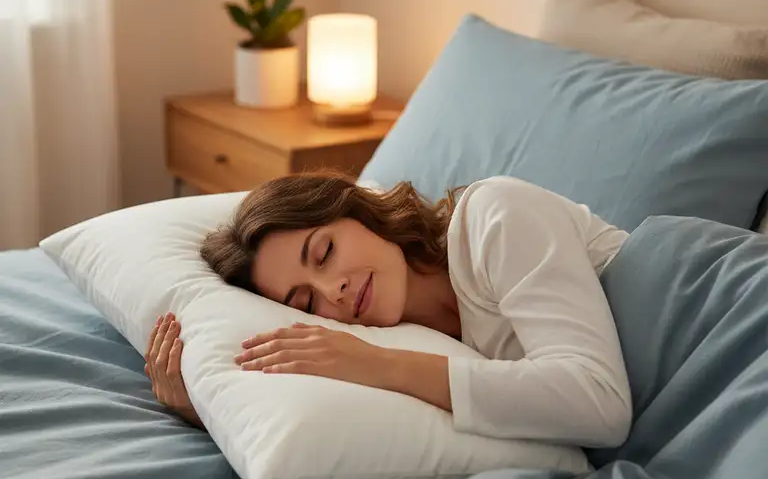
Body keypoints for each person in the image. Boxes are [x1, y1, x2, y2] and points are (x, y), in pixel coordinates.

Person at [145, 172, 633, 447]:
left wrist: (376, 364)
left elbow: (599, 403)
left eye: (324, 252)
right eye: (306, 301)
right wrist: (207, 408)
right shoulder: (401, 338)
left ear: (358, 212)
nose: (332, 290)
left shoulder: (495, 218)